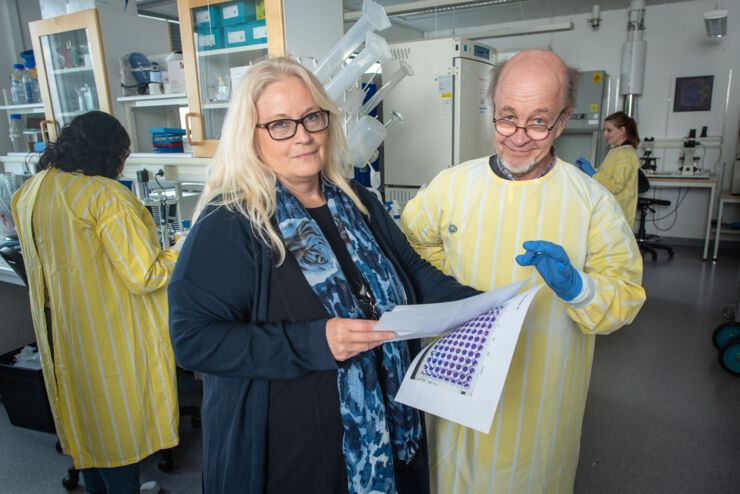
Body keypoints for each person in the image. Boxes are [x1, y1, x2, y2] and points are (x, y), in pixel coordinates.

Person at [167, 56, 478, 494]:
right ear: (250, 136)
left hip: (388, 433)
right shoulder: (231, 223)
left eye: (312, 117)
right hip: (292, 457)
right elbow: (193, 339)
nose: (304, 136)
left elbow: (412, 272)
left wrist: (482, 304)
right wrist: (314, 342)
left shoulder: (356, 201)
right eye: (280, 124)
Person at [400, 50, 647, 493]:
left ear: (564, 118)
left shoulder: (591, 203)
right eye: (507, 118)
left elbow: (624, 295)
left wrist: (579, 289)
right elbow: (412, 245)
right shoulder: (452, 185)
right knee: (449, 476)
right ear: (491, 109)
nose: (518, 137)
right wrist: (451, 287)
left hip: (542, 397)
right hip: (455, 379)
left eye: (538, 122)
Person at [11, 111, 180, 494]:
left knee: (88, 431)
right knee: (116, 432)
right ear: (108, 155)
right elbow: (145, 274)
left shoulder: (33, 191)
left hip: (64, 336)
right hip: (110, 337)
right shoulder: (105, 196)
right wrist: (184, 248)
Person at [574, 111, 641, 226]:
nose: (605, 134)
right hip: (609, 209)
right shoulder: (616, 151)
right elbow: (606, 175)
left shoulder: (626, 154)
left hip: (617, 211)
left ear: (622, 131)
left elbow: (615, 186)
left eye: (609, 130)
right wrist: (590, 171)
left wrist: (592, 173)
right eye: (605, 130)